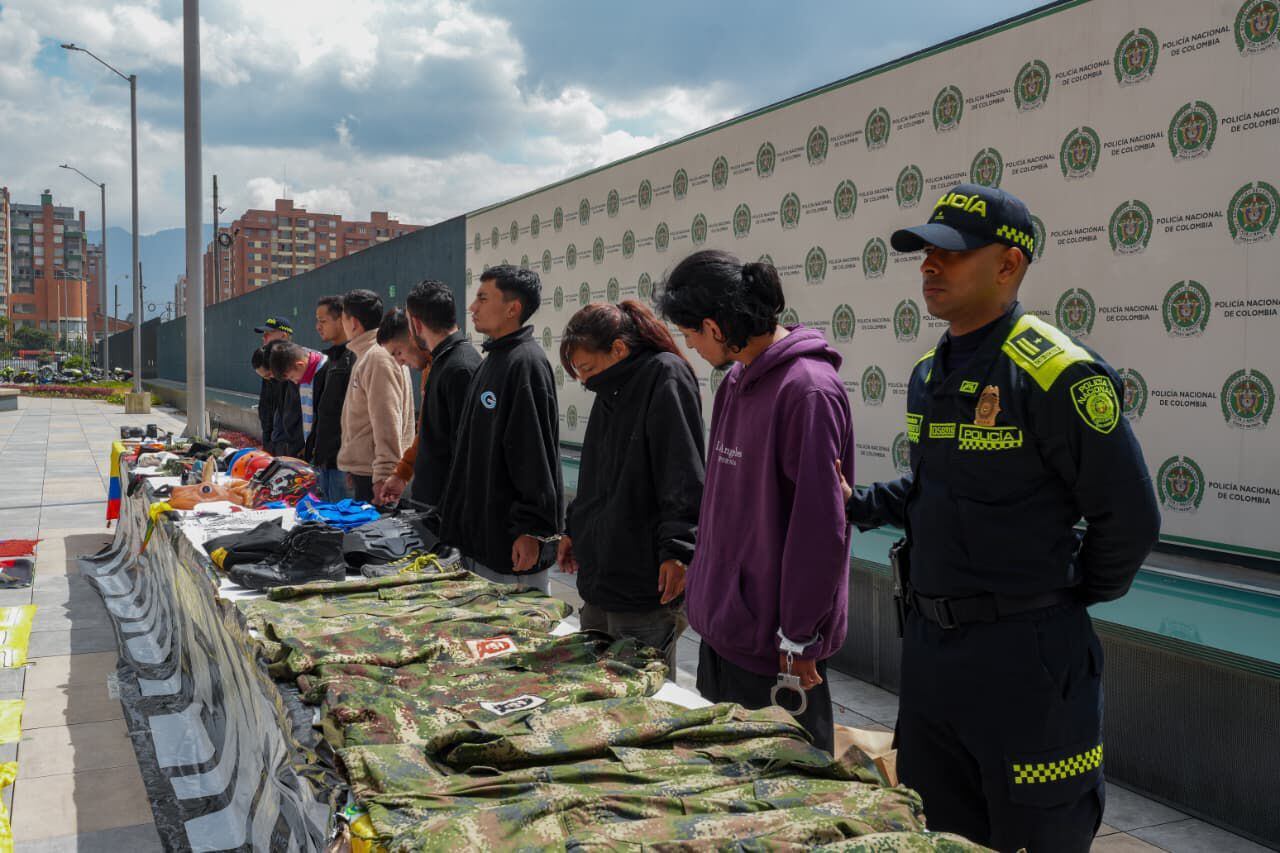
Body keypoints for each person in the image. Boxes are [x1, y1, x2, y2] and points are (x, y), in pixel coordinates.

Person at [844, 183, 1160, 852]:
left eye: (952, 253)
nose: (930, 265)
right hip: (932, 658)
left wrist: (1061, 597)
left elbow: (1129, 517)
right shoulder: (929, 373)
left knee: (1037, 832)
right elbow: (940, 485)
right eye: (925, 252)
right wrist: (856, 503)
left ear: (1008, 264)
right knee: (940, 831)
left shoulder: (1058, 374)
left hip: (1026, 664)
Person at [654, 250, 854, 754]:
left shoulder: (808, 391)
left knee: (781, 781)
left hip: (776, 651)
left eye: (691, 334)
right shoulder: (737, 379)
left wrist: (800, 637)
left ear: (714, 326)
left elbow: (819, 529)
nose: (690, 346)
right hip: (726, 632)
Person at [554, 300, 705, 675]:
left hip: (643, 583)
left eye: (587, 368)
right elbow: (594, 475)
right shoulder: (610, 387)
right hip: (602, 576)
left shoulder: (665, 376)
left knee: (640, 690)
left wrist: (678, 551)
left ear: (618, 349)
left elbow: (682, 474)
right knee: (593, 685)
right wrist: (575, 530)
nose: (585, 381)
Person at [439, 265, 562, 593]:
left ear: (512, 308)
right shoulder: (493, 360)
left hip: (511, 549)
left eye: (482, 298)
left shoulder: (525, 363)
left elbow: (533, 453)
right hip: (481, 540)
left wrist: (532, 530)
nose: (472, 307)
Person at [394, 279, 482, 512]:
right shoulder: (443, 361)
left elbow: (466, 452)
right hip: (435, 504)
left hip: (446, 509)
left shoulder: (459, 367)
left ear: (416, 324)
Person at [336, 290, 414, 503]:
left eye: (343, 319)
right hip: (366, 471)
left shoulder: (377, 356)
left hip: (374, 477)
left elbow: (387, 419)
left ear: (353, 322)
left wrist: (384, 475)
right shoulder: (369, 355)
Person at [373, 308, 431, 507]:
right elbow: (424, 430)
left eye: (398, 352)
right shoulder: (428, 370)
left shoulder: (451, 368)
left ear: (414, 335)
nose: (400, 362)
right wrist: (401, 473)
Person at [307, 296, 356, 501]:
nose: (318, 326)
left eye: (323, 321)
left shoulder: (355, 358)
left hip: (344, 465)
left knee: (342, 519)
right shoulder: (331, 362)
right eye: (317, 321)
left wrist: (353, 462)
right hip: (325, 462)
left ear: (342, 320)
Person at [267, 342, 327, 447]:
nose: (295, 382)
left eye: (292, 377)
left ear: (300, 365)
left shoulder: (327, 372)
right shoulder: (304, 374)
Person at [253, 316, 293, 454]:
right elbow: (265, 408)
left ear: (284, 336)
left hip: (289, 446)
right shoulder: (268, 363)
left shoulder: (294, 369)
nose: (264, 338)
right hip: (271, 441)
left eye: (268, 334)